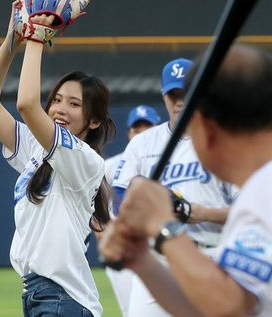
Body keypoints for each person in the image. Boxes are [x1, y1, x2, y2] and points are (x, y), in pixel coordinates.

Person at [99, 45, 272, 316]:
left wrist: (165, 226)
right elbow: (208, 309)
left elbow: (228, 307)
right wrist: (141, 260)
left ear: (206, 131)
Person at [0, 4, 115, 317]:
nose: (61, 108)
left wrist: (37, 38)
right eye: (58, 100)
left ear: (93, 121)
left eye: (75, 104)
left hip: (62, 298)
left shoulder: (85, 160)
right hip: (37, 294)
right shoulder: (36, 152)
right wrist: (14, 39)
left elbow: (26, 103)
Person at [110, 58, 237, 317]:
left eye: (186, 93)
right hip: (159, 258)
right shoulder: (142, 144)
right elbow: (119, 199)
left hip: (212, 257)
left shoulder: (224, 143)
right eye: (173, 94)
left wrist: (201, 213)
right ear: (164, 96)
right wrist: (153, 216)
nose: (179, 101)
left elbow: (250, 211)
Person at [104, 104, 160, 317]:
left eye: (147, 128)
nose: (141, 133)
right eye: (137, 128)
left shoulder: (169, 162)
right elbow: (96, 203)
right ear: (129, 132)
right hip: (123, 246)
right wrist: (101, 230)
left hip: (157, 247)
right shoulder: (112, 165)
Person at [105, 104, 161, 184]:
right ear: (129, 134)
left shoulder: (172, 160)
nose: (142, 136)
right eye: (137, 131)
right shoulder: (109, 166)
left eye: (148, 131)